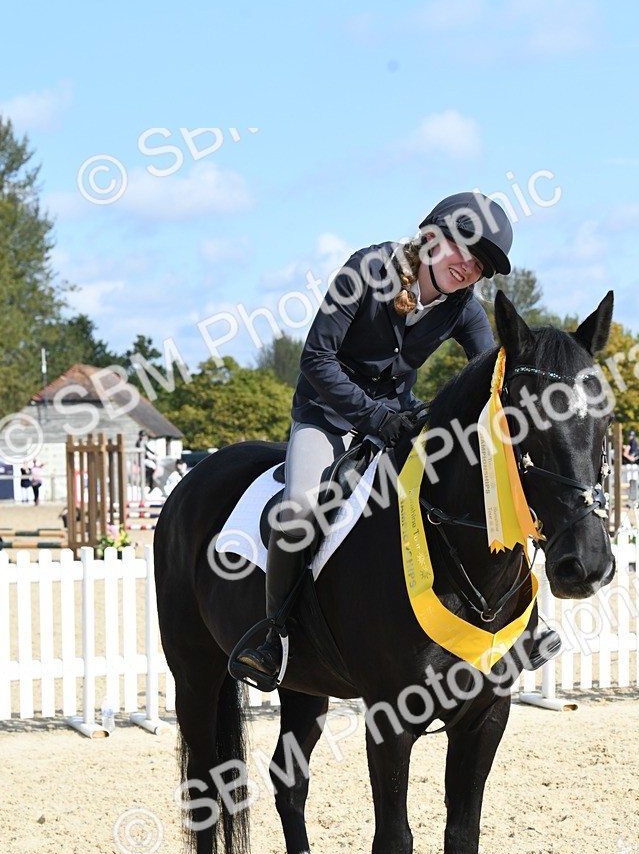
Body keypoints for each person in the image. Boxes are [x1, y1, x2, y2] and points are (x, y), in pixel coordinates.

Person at [233, 190, 560, 683]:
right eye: (463, 250)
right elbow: (316, 360)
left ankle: (524, 623)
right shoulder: (364, 271)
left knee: (478, 493)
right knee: (300, 508)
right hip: (328, 415)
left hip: (402, 420)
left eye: (480, 264)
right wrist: (375, 418)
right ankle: (274, 634)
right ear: (430, 238)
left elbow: (489, 378)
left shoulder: (463, 308)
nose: (469, 267)